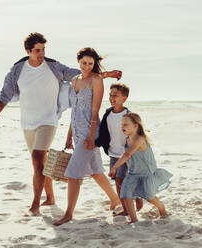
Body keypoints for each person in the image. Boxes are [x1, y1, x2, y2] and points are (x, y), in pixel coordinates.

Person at [0, 32, 122, 216]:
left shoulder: (54, 67)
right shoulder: (17, 71)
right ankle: (52, 198)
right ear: (28, 51)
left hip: (49, 120)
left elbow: (85, 75)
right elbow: (4, 96)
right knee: (43, 164)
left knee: (41, 160)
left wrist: (107, 74)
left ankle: (36, 205)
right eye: (37, 50)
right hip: (28, 123)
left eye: (43, 49)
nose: (41, 54)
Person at [53, 47, 121, 226]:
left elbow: (94, 110)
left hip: (89, 133)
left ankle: (68, 213)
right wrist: (69, 134)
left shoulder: (96, 80)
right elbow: (74, 111)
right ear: (78, 61)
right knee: (96, 171)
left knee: (74, 174)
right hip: (76, 131)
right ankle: (115, 200)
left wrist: (91, 137)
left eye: (91, 63)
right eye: (84, 62)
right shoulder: (75, 80)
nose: (87, 66)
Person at [109, 112, 172, 223]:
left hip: (146, 174)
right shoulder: (127, 140)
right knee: (125, 194)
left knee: (149, 196)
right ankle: (133, 219)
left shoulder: (140, 139)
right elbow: (128, 158)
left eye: (126, 124)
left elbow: (127, 155)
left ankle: (161, 208)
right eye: (122, 124)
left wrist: (114, 167)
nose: (122, 127)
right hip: (133, 173)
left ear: (135, 126)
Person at [95, 84, 143, 216]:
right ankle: (129, 203)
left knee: (122, 180)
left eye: (115, 95)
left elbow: (137, 133)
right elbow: (104, 131)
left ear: (124, 98)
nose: (111, 98)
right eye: (110, 95)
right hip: (113, 152)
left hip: (126, 154)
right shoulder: (108, 113)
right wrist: (96, 143)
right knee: (117, 180)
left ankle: (131, 204)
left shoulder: (128, 115)